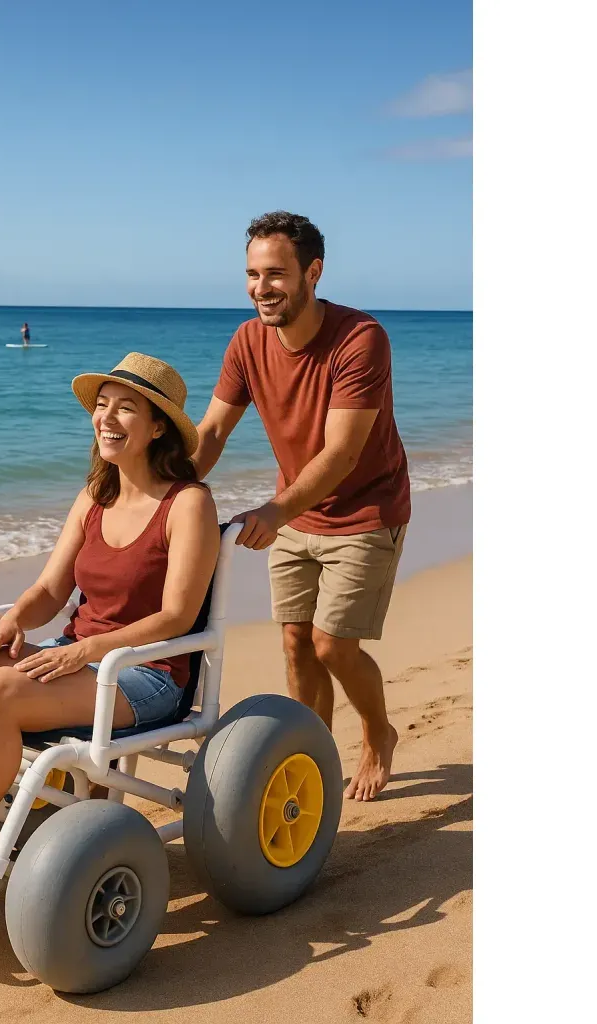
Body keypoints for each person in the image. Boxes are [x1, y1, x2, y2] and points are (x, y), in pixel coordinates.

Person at [0, 353, 220, 900]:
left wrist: (87, 651)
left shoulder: (188, 503)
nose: (106, 418)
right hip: (80, 656)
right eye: (102, 405)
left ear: (158, 427)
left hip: (148, 673)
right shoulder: (94, 498)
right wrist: (12, 622)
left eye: (126, 408)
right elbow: (51, 590)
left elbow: (177, 617)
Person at [193, 211, 411, 802]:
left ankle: (378, 732)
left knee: (332, 644)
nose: (261, 287)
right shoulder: (247, 341)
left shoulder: (360, 338)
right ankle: (313, 759)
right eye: (252, 274)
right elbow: (211, 432)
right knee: (295, 641)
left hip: (366, 512)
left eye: (275, 274)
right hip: (298, 510)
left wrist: (273, 512)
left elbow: (342, 454)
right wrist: (163, 491)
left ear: (312, 272)